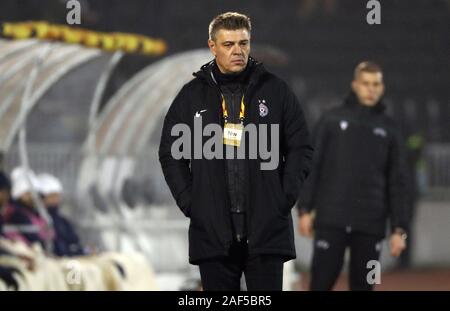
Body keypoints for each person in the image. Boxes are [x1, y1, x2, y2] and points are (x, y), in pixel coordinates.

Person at [159, 12, 313, 291]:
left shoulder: (276, 91)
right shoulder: (191, 96)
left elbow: (301, 147)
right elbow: (171, 154)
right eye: (228, 44)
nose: (237, 51)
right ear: (212, 46)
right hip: (214, 232)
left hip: (266, 229)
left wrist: (283, 197)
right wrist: (192, 203)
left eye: (243, 43)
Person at [297, 61, 411, 291]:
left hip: (371, 225)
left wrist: (399, 228)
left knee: (365, 287)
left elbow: (397, 182)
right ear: (355, 85)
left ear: (382, 87)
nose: (371, 89)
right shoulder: (331, 120)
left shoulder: (391, 129)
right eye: (366, 83)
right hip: (331, 219)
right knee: (319, 284)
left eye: (376, 84)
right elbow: (313, 165)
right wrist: (304, 209)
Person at [38, 173, 84, 257]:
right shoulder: (39, 220)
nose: (56, 200)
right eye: (51, 196)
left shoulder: (62, 221)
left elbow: (74, 240)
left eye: (57, 196)